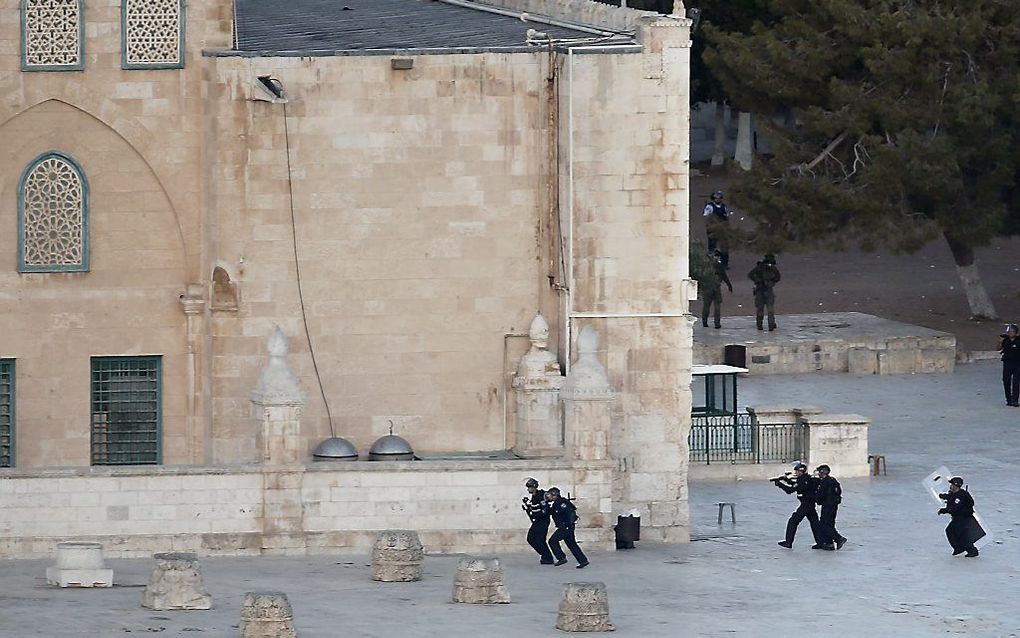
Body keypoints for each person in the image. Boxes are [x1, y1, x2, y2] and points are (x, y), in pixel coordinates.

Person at [772, 462, 821, 549]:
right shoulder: (806, 479)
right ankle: (820, 542)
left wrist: (780, 484)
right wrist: (786, 480)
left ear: (801, 471)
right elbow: (796, 485)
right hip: (809, 504)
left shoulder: (803, 480)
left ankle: (788, 542)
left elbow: (790, 490)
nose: (796, 473)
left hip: (806, 505)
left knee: (793, 521)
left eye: (797, 471)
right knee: (815, 523)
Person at [938, 476, 984, 557]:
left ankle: (972, 550)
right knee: (950, 531)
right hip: (958, 518)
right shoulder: (956, 494)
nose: (951, 486)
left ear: (956, 485)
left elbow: (954, 508)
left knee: (962, 535)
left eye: (952, 484)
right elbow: (951, 497)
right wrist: (943, 496)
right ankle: (958, 548)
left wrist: (944, 510)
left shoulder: (961, 496)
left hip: (963, 518)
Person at [545, 486, 589, 568]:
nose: (549, 496)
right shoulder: (557, 503)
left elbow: (569, 512)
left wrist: (567, 525)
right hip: (567, 527)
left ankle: (561, 558)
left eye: (550, 495)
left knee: (552, 541)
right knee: (572, 544)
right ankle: (583, 560)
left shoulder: (561, 503)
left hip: (565, 527)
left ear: (554, 495)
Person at [691, 247, 733, 329]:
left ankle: (706, 322)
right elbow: (724, 276)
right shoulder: (717, 265)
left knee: (708, 305)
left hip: (710, 288)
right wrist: (729, 285)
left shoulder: (705, 265)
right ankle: (715, 323)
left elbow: (723, 276)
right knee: (714, 306)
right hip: (714, 287)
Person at [522, 478, 554, 564]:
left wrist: (534, 514)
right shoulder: (534, 496)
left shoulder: (541, 496)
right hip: (537, 521)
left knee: (539, 540)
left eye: (529, 487)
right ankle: (545, 555)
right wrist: (527, 506)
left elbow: (544, 510)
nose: (528, 489)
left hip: (542, 521)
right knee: (531, 538)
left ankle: (548, 557)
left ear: (534, 487)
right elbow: (534, 509)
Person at [814, 465, 847, 551]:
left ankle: (839, 538)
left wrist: (817, 499)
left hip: (828, 505)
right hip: (834, 505)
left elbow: (820, 494)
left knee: (824, 524)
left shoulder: (825, 482)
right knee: (830, 523)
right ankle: (829, 544)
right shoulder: (832, 480)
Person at [748, 253, 781, 331]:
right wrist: (760, 281)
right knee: (766, 309)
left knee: (764, 309)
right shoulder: (764, 267)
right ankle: (765, 325)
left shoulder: (768, 268)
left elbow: (777, 277)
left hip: (764, 289)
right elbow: (778, 277)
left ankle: (765, 324)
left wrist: (770, 282)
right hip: (763, 290)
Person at [703, 190, 731, 270]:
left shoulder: (723, 207)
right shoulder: (709, 207)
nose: (718, 200)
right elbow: (707, 218)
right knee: (712, 247)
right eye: (716, 198)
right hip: (713, 230)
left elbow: (726, 217)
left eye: (720, 198)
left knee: (724, 247)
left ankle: (724, 264)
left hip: (723, 229)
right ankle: (712, 263)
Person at [1000, 323, 1020, 406]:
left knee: (1016, 382)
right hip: (1007, 363)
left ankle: (1015, 400)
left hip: (1018, 364)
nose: (1010, 333)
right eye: (1009, 331)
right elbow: (998, 348)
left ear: (1016, 332)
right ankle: (1008, 399)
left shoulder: (1019, 340)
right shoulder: (1005, 340)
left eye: (1012, 331)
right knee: (1006, 380)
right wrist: (1000, 340)